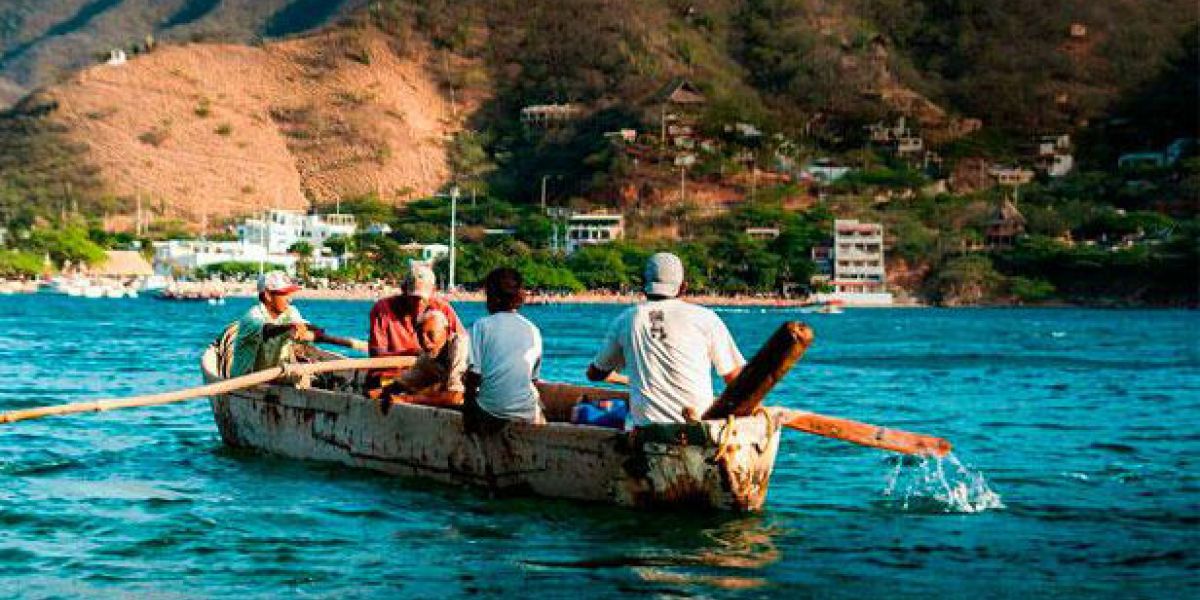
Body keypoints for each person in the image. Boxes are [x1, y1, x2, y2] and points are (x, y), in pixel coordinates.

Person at [586, 252, 746, 427]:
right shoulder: (706, 318)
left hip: (647, 431)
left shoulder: (627, 319)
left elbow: (595, 374)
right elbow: (736, 380)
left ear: (643, 284)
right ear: (683, 287)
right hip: (698, 428)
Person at [367, 261, 463, 392]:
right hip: (391, 376)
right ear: (403, 290)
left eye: (422, 299)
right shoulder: (382, 309)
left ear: (433, 292)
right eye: (413, 298)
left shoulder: (443, 309)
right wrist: (413, 353)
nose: (418, 304)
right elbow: (376, 355)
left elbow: (462, 344)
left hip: (430, 378)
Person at [464, 268, 544, 425]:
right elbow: (533, 379)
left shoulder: (481, 326)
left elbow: (474, 375)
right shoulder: (533, 329)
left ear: (490, 297)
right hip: (526, 412)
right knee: (539, 409)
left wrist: (468, 410)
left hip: (491, 410)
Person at [229, 271, 317, 376]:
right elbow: (268, 331)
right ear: (268, 296)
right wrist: (291, 327)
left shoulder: (290, 311)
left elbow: (306, 327)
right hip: (245, 382)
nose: (290, 299)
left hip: (276, 377)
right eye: (284, 294)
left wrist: (310, 331)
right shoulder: (252, 317)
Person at [386, 309, 469, 406]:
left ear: (447, 332)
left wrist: (407, 399)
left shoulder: (460, 346)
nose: (424, 341)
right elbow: (403, 383)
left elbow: (455, 397)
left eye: (431, 334)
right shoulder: (428, 355)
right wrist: (379, 392)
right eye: (420, 336)